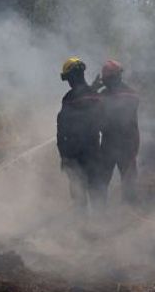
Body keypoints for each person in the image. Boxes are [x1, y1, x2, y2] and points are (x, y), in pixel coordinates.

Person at [56, 57, 104, 210]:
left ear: (72, 77)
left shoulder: (69, 99)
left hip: (74, 155)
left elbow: (61, 131)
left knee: (78, 193)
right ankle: (103, 225)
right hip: (94, 152)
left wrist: (63, 157)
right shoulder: (94, 95)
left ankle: (81, 226)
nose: (68, 82)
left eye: (68, 78)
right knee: (96, 190)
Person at [97, 59, 141, 205]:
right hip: (124, 143)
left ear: (112, 78)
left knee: (102, 181)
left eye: (106, 79)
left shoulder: (105, 96)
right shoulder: (132, 93)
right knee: (127, 181)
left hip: (118, 144)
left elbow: (91, 109)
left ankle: (103, 213)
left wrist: (93, 89)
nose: (105, 82)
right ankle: (128, 212)